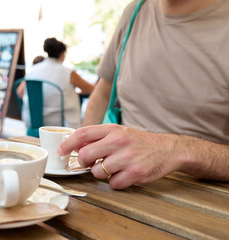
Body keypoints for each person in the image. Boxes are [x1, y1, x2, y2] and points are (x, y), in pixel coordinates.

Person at [58, 0, 229, 189]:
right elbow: (102, 93)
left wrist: (176, 150)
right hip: (114, 185)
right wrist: (85, 155)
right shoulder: (134, 12)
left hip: (201, 200)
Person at [19, 38, 94, 129]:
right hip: (60, 126)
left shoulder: (33, 70)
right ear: (62, 54)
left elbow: (20, 92)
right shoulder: (68, 73)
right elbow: (91, 89)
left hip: (32, 123)